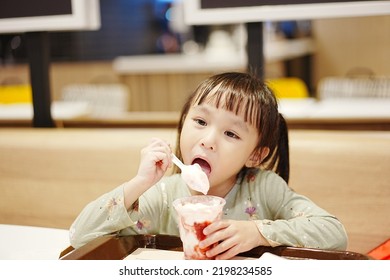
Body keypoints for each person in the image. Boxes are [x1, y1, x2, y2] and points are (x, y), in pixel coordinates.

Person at [69, 72, 348, 260]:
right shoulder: (164, 195)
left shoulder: (263, 188)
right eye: (200, 122)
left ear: (255, 155)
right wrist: (139, 183)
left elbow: (335, 234)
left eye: (231, 134)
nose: (208, 141)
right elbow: (81, 237)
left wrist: (259, 232)